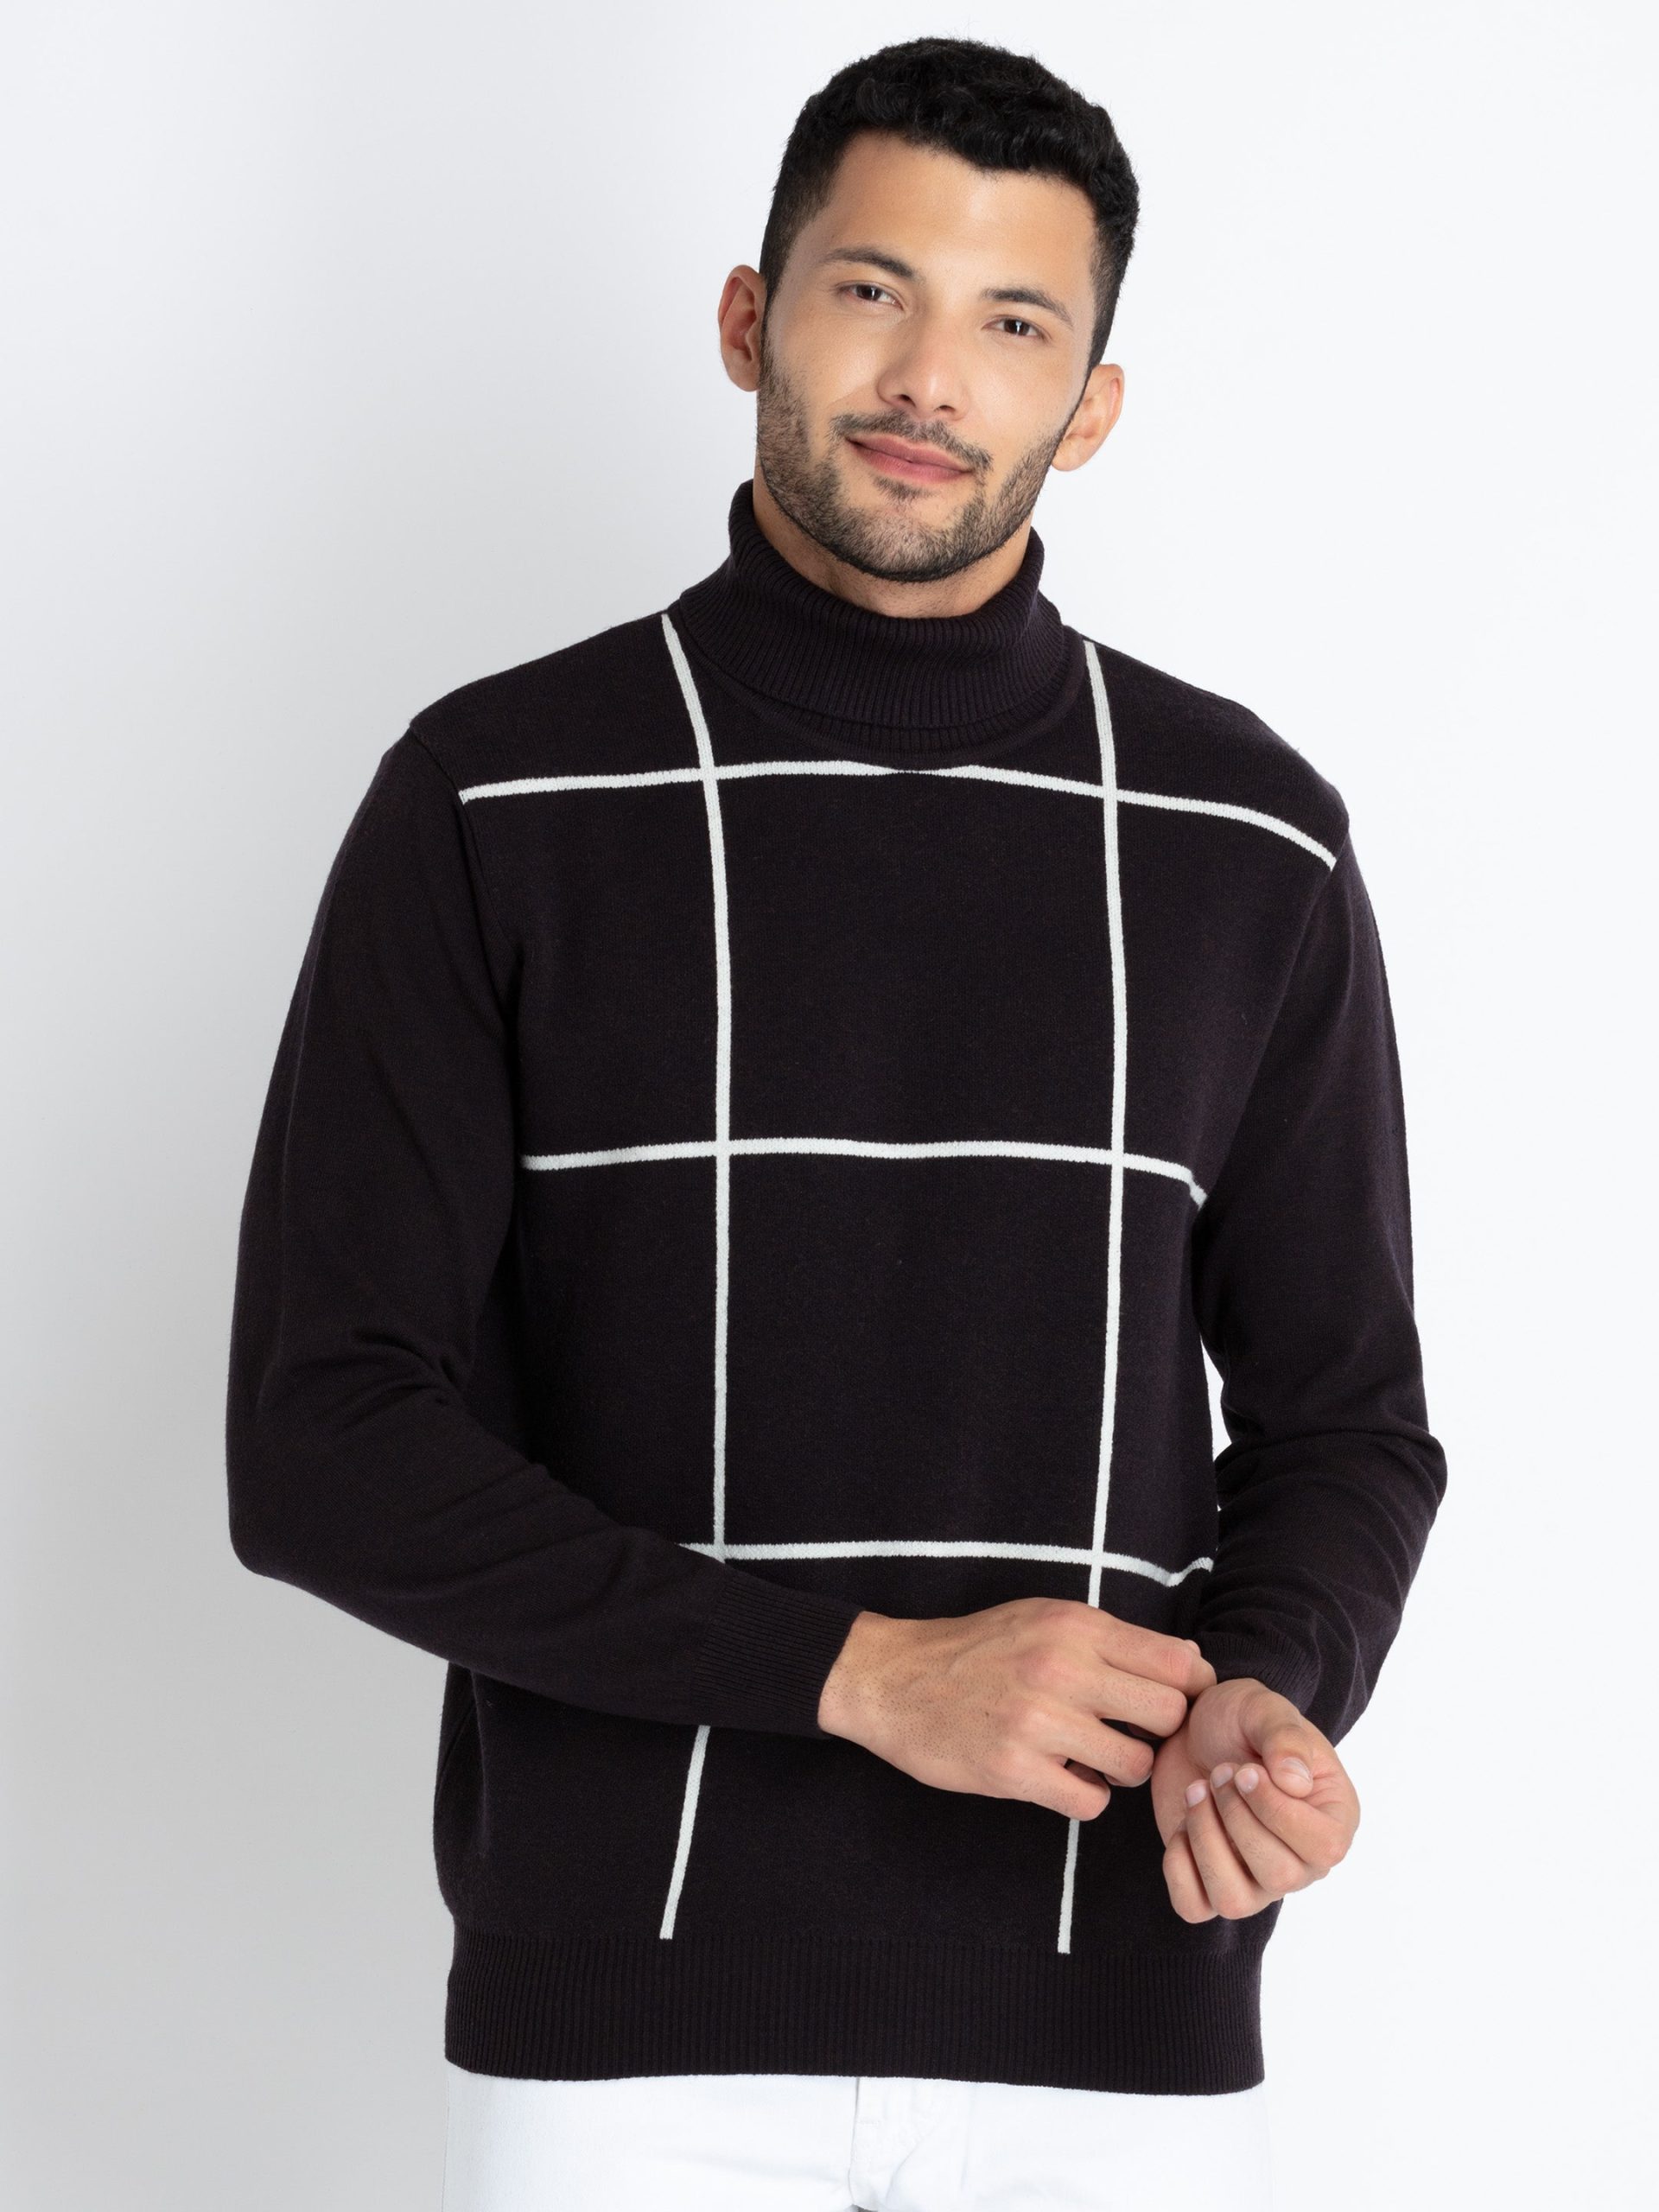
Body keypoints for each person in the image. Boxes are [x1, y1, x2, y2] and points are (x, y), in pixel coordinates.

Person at [226, 33, 1446, 2211]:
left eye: (1013, 324)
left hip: (1111, 2012)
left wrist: (1271, 1689)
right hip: (625, 2040)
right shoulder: (493, 798)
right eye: (871, 289)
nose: (927, 379)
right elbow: (321, 1442)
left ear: (1093, 403)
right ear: (748, 317)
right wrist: (864, 1674)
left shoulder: (1246, 834)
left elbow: (1348, 1420)